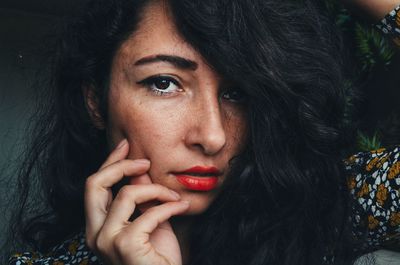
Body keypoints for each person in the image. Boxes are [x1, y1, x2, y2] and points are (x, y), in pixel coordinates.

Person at [3, 0, 400, 265]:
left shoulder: (327, 209)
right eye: (164, 83)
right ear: (95, 100)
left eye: (236, 93)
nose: (213, 136)